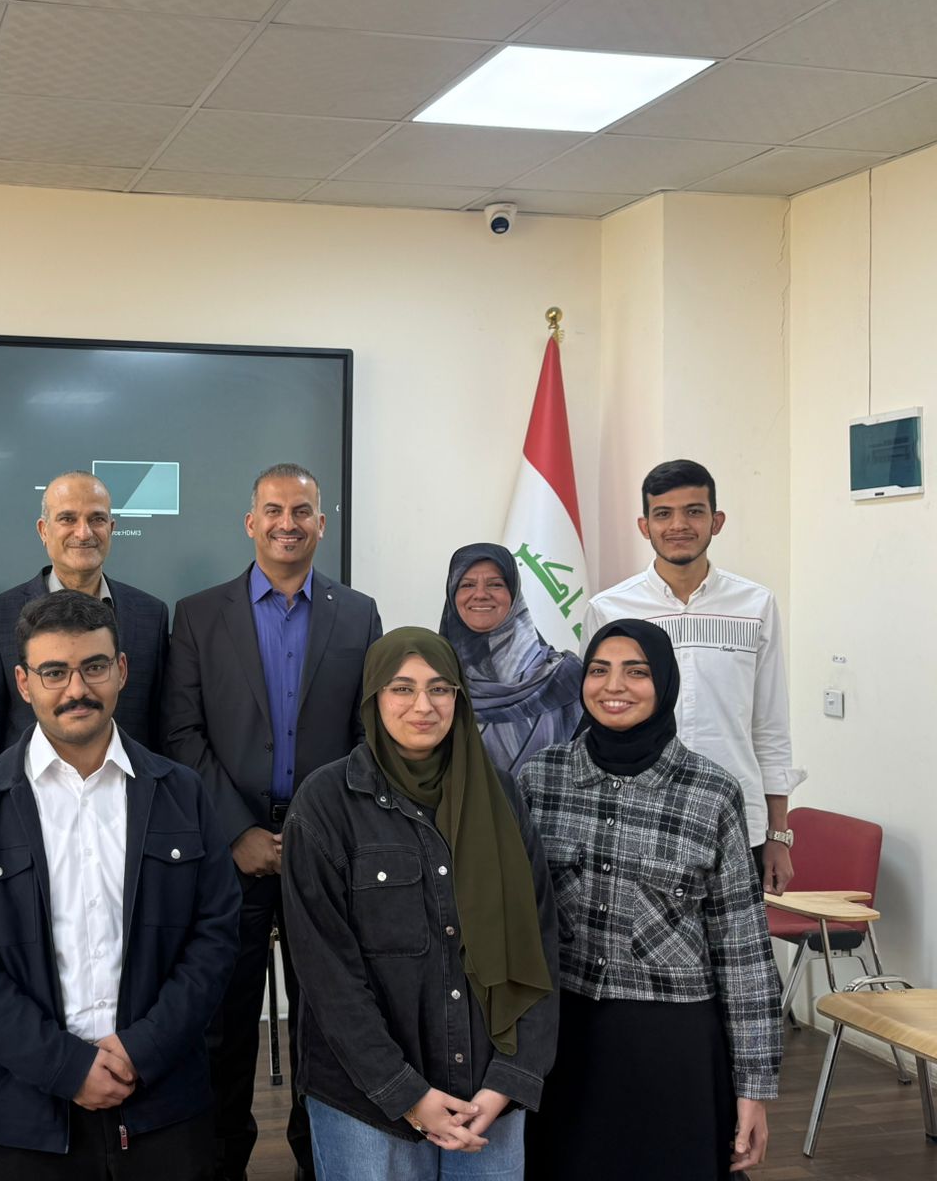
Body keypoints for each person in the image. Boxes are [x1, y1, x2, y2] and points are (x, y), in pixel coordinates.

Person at [0, 590, 239, 1180]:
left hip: (165, 1105)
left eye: (94, 667)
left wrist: (143, 1049)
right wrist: (65, 1066)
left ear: (121, 670)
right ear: (24, 683)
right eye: (54, 672)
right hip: (28, 1115)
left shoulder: (182, 793)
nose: (77, 689)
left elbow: (216, 935)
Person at [162, 462, 382, 1181]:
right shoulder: (198, 614)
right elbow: (182, 734)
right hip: (228, 853)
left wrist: (320, 830)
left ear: (322, 523)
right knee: (222, 1027)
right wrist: (237, 833)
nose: (288, 523)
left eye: (303, 511)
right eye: (275, 511)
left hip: (327, 849)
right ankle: (222, 1163)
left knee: (329, 1022)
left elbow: (368, 733)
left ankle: (320, 1162)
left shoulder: (359, 614)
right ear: (250, 522)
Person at [282, 627, 558, 1181]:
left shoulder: (502, 795)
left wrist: (509, 1081)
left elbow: (539, 944)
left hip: (486, 1098)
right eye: (401, 688)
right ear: (373, 697)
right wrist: (406, 1092)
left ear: (459, 697)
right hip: (367, 1103)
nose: (423, 705)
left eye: (439, 688)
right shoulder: (326, 803)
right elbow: (327, 973)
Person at [521, 618, 782, 1180]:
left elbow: (743, 951)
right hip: (562, 1038)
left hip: (672, 1047)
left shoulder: (711, 792)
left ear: (663, 683)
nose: (614, 686)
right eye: (599, 670)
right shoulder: (541, 779)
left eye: (636, 672)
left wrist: (754, 1088)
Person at [584, 459, 804, 893]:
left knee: (736, 938)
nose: (679, 525)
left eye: (694, 511)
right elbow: (595, 720)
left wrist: (778, 835)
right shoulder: (609, 609)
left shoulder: (755, 605)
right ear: (645, 526)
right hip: (637, 817)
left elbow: (770, 726)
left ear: (716, 521)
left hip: (737, 820)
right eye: (663, 514)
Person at [0, 469, 170, 770]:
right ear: (43, 530)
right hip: (28, 793)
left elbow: (161, 732)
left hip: (128, 791)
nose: (84, 532)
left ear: (111, 528)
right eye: (68, 519)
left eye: (97, 519)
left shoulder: (151, 615)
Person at [438, 543, 583, 777]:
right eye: (467, 585)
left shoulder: (563, 677)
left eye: (495, 584)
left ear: (514, 593)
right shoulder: (435, 677)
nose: (480, 594)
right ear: (452, 594)